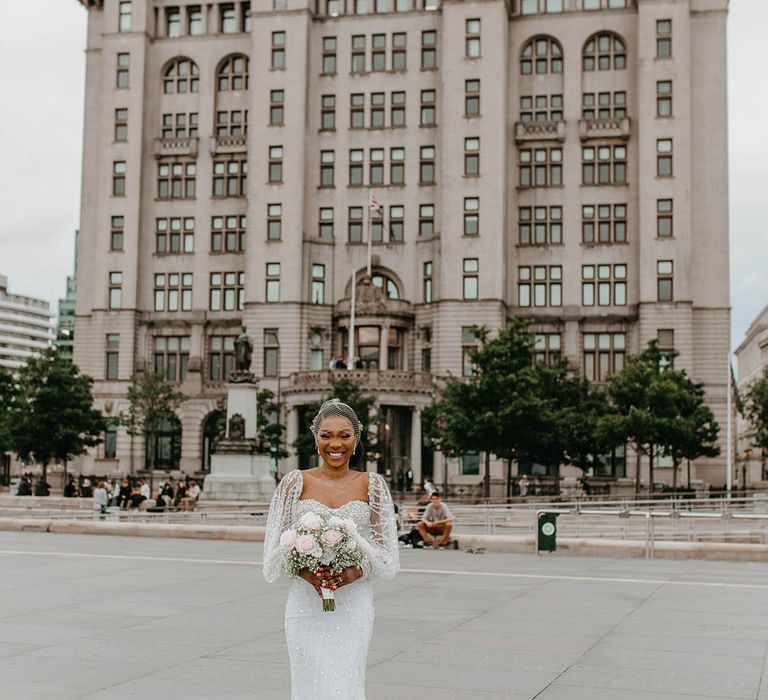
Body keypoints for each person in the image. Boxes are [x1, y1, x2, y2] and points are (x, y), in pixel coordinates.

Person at [263, 398, 399, 699]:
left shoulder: (373, 484)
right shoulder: (293, 483)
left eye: (344, 435)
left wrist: (356, 572)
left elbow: (388, 555)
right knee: (308, 678)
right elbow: (273, 554)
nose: (335, 443)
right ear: (315, 439)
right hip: (304, 602)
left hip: (353, 603)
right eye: (326, 435)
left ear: (356, 439)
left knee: (346, 679)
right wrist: (304, 571)